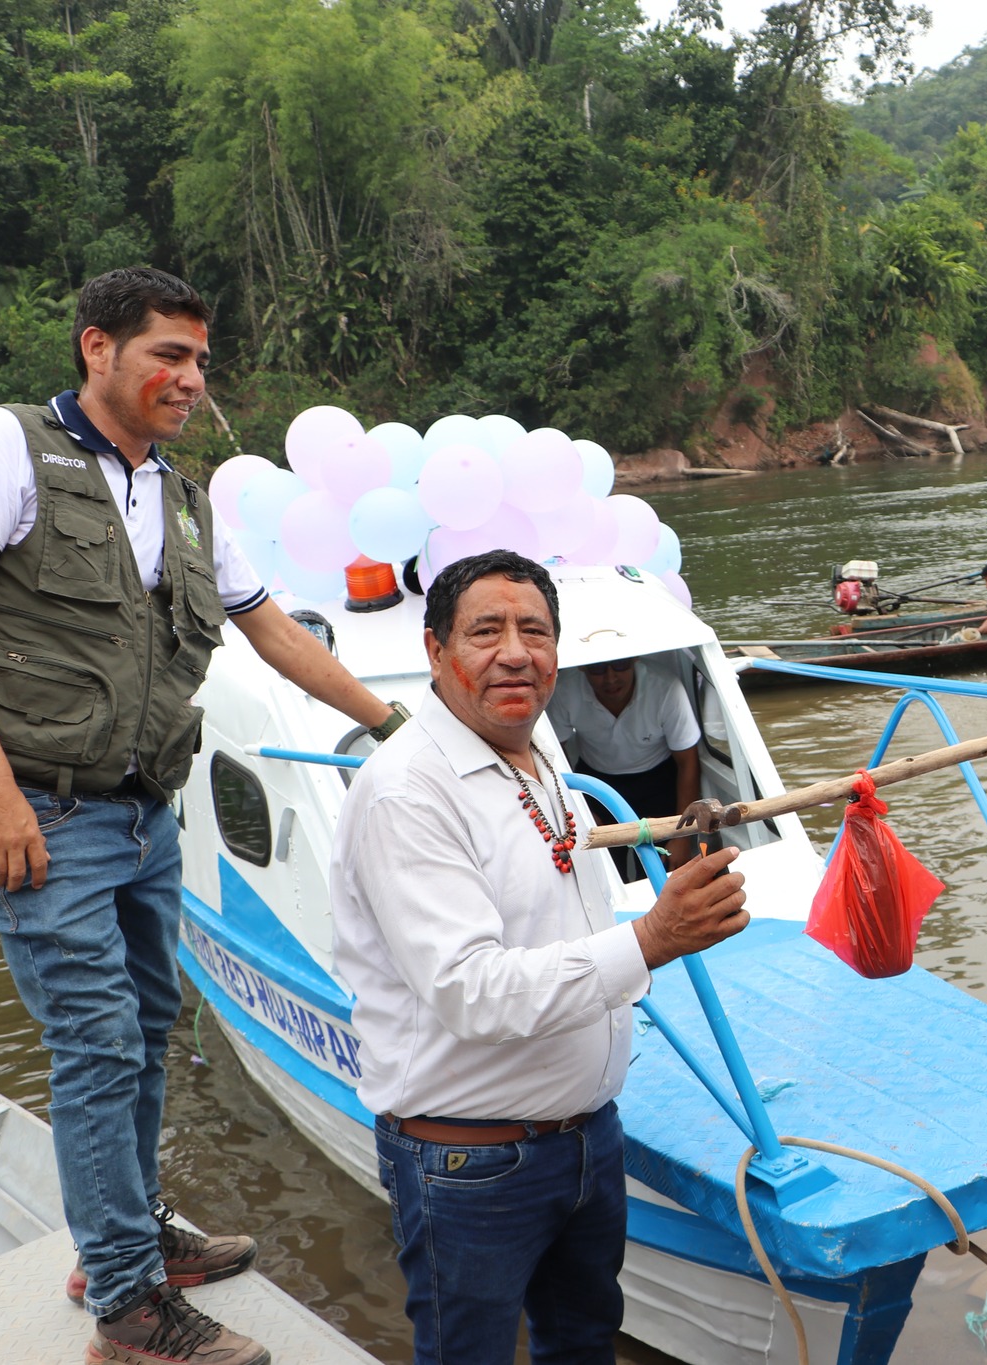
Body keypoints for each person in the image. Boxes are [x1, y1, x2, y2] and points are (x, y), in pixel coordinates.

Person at [0, 267, 406, 1365]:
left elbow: (272, 630)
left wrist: (390, 723)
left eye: (200, 361)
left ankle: (122, 1240)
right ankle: (129, 1308)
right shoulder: (8, 448)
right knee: (95, 1043)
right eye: (167, 356)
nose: (190, 379)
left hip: (142, 817)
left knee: (144, 1034)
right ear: (97, 349)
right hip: (36, 810)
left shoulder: (185, 496)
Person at [329, 550, 752, 1365]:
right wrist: (654, 937)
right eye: (486, 630)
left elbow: (561, 914)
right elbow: (471, 991)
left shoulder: (533, 754)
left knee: (584, 1346)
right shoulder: (407, 791)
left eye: (536, 631)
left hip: (588, 1141)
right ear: (435, 650)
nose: (516, 652)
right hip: (471, 1164)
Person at [547, 656, 704, 867]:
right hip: (595, 783)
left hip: (658, 782)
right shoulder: (565, 691)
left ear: (635, 660)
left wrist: (682, 835)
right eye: (598, 667)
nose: (610, 678)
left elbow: (688, 761)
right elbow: (554, 754)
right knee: (604, 866)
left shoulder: (666, 688)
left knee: (659, 865)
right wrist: (579, 807)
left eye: (620, 665)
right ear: (583, 667)